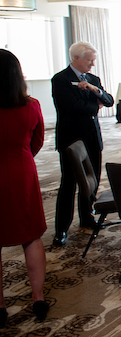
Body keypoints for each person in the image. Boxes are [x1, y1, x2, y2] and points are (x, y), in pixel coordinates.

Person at [0, 49, 49, 326]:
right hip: (22, 172)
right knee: (31, 235)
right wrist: (22, 154)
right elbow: (38, 141)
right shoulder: (32, 105)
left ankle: (0, 305)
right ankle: (38, 298)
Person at [51, 41, 114, 247]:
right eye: (89, 60)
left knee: (92, 180)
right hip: (71, 139)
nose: (92, 64)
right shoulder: (60, 79)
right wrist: (94, 106)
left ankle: (86, 216)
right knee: (68, 184)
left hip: (92, 137)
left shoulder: (93, 79)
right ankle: (61, 228)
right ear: (76, 58)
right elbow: (71, 106)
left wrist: (95, 91)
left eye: (93, 60)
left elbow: (109, 101)